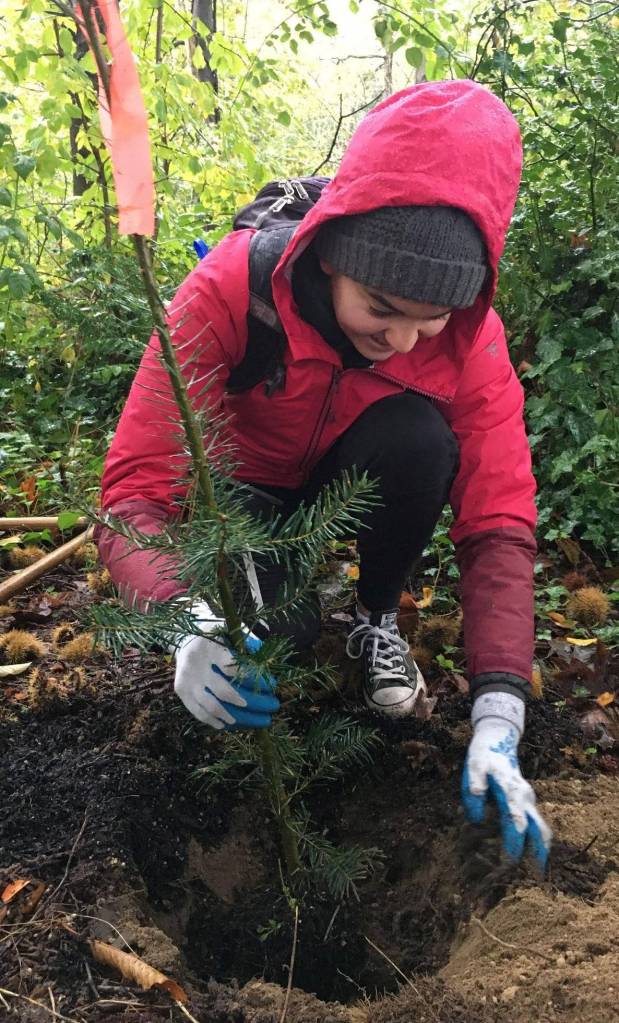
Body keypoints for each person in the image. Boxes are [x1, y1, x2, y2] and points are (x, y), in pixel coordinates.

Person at [96, 79, 551, 868]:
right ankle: (282, 613)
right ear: (332, 252)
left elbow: (498, 519)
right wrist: (186, 624)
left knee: (420, 437)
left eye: (430, 317)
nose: (404, 340)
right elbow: (135, 493)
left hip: (353, 478)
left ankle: (375, 619)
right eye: (380, 306)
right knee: (276, 636)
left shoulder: (469, 342)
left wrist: (497, 715)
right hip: (239, 499)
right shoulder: (235, 290)